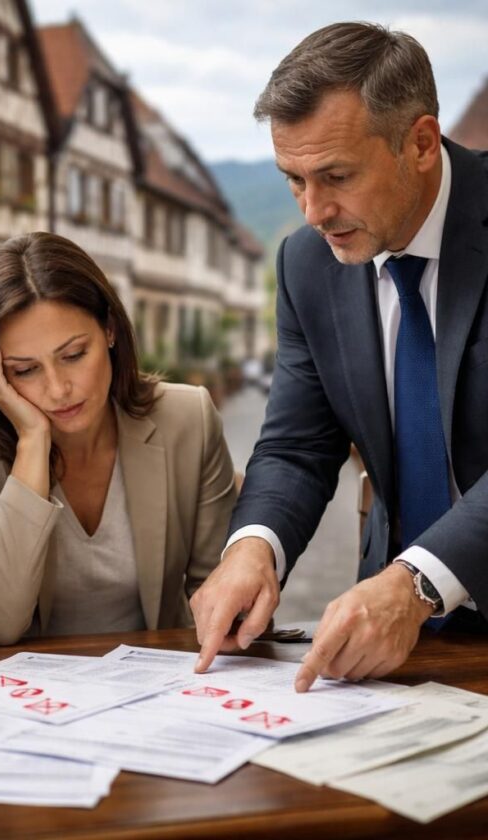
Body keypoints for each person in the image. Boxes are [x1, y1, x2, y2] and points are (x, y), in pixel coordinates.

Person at [190, 22, 488, 690]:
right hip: (392, 644)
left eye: (336, 176)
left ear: (420, 143)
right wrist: (252, 548)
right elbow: (297, 446)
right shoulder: (306, 264)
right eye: (293, 180)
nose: (314, 211)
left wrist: (417, 583)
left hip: (408, 599)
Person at [0, 231, 237, 644]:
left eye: (73, 355)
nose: (58, 389)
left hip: (150, 674)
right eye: (24, 370)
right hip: (7, 677)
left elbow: (221, 602)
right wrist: (32, 442)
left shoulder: (188, 418)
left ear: (110, 330)